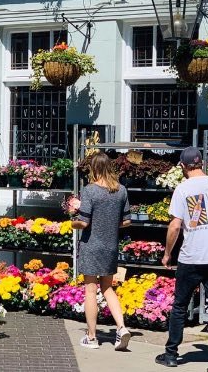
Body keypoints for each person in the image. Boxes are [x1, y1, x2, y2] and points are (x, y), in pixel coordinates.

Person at [157, 147, 208, 372]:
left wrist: (167, 254)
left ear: (183, 166)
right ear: (201, 163)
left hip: (192, 257)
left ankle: (171, 354)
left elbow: (175, 226)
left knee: (180, 306)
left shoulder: (183, 189)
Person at [71, 151, 133, 352]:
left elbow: (84, 222)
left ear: (94, 169)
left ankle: (91, 337)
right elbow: (127, 221)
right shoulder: (121, 190)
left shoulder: (90, 191)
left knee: (90, 289)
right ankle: (121, 328)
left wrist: (73, 222)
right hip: (111, 246)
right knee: (108, 288)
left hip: (92, 246)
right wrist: (110, 224)